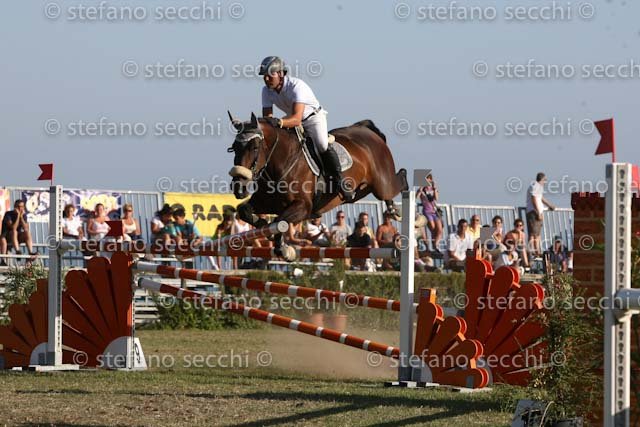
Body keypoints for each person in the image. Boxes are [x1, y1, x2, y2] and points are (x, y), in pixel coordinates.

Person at [259, 55, 354, 201]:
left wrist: (278, 122)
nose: (266, 79)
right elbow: (268, 119)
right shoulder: (266, 91)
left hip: (313, 118)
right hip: (291, 119)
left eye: (269, 75)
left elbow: (297, 119)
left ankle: (340, 181)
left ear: (280, 73)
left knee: (322, 145)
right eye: (264, 76)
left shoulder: (296, 86)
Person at [526, 172, 556, 257]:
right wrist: (538, 212)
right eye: (545, 180)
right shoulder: (535, 186)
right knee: (533, 234)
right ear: (542, 179)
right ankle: (531, 252)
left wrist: (549, 205)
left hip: (537, 212)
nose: (545, 182)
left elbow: (540, 198)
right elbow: (533, 199)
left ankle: (537, 251)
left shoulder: (538, 187)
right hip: (534, 213)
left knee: (537, 234)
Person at [416, 174, 443, 252]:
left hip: (435, 211)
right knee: (433, 229)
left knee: (440, 230)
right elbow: (416, 197)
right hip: (427, 211)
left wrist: (434, 188)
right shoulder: (422, 190)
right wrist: (420, 189)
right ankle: (434, 247)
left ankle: (435, 245)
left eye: (429, 179)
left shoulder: (433, 189)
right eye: (426, 179)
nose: (427, 181)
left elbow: (436, 198)